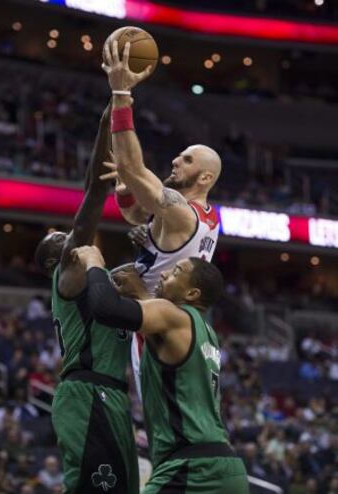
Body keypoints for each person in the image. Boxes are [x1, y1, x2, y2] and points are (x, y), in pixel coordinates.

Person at [72, 244, 249, 494]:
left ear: (192, 294)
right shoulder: (206, 332)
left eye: (176, 271)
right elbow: (159, 329)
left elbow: (105, 308)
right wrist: (141, 293)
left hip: (193, 469)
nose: (165, 274)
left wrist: (93, 262)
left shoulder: (173, 316)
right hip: (226, 467)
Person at [101, 40, 222, 396]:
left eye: (186, 160)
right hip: (177, 323)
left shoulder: (181, 212)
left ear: (205, 178)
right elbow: (135, 213)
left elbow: (131, 165)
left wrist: (121, 92)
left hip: (155, 320)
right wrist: (127, 188)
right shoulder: (205, 216)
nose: (175, 161)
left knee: (162, 416)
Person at [34, 103, 139, 494]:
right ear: (53, 262)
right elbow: (94, 191)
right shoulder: (68, 272)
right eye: (62, 242)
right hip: (87, 393)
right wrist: (108, 119)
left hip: (108, 395)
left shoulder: (99, 283)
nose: (72, 239)